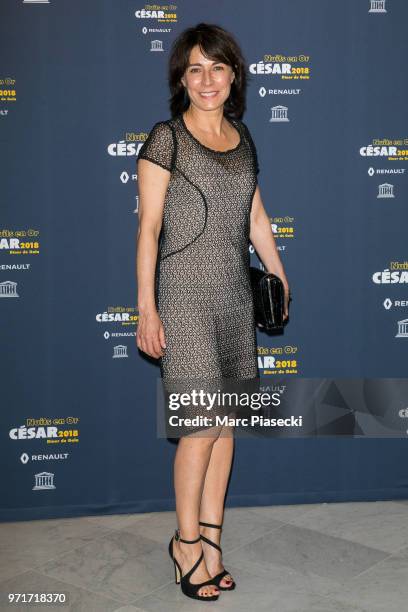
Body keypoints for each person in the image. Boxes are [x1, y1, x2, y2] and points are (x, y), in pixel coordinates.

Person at [136, 22, 290, 602]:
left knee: (225, 428)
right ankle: (184, 547)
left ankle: (212, 541)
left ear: (234, 77)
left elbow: (255, 217)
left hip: (232, 296)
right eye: (195, 68)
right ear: (181, 77)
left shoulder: (244, 137)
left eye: (218, 67)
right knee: (200, 428)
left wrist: (277, 272)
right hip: (183, 296)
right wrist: (147, 308)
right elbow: (149, 230)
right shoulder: (165, 140)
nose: (208, 79)